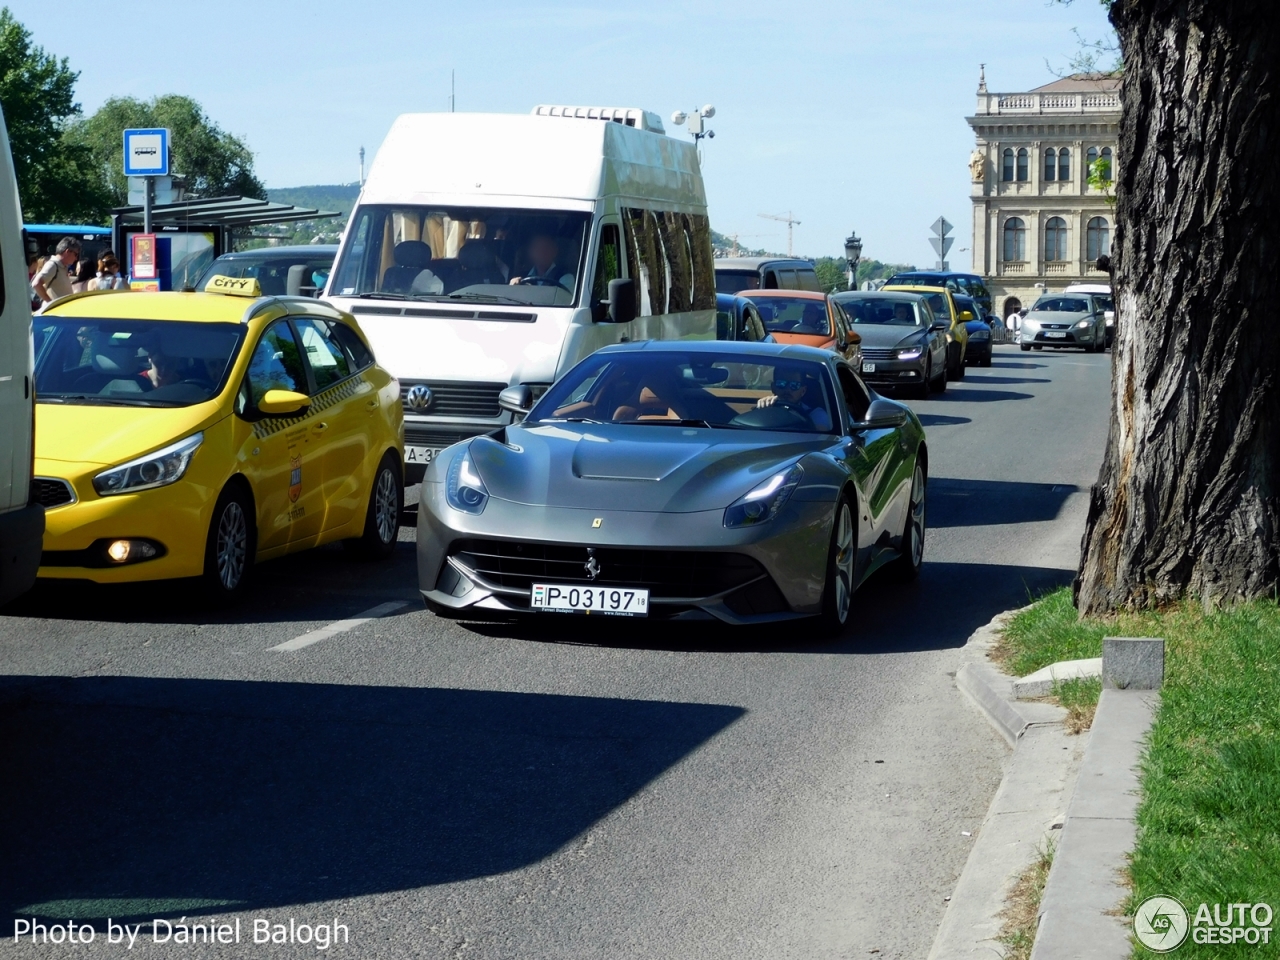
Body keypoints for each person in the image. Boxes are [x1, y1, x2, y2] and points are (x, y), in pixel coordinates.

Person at [756, 366, 833, 431]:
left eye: (794, 385)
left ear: (803, 391)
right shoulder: (766, 409)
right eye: (781, 383)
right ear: (773, 388)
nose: (787, 389)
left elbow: (821, 440)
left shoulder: (816, 414)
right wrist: (762, 411)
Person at [31, 237, 80, 309]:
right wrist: (50, 303)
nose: (76, 258)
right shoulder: (53, 265)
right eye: (76, 254)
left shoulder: (61, 266)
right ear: (67, 251)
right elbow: (36, 284)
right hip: (53, 313)